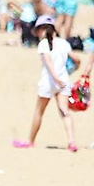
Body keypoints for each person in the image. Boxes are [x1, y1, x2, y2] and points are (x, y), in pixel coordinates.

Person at [14, 15, 76, 151]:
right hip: (64, 81)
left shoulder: (43, 44)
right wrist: (69, 72)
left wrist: (55, 78)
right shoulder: (63, 43)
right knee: (64, 111)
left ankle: (30, 141)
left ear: (40, 30)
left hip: (49, 82)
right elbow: (76, 60)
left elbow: (48, 62)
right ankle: (71, 142)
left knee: (39, 112)